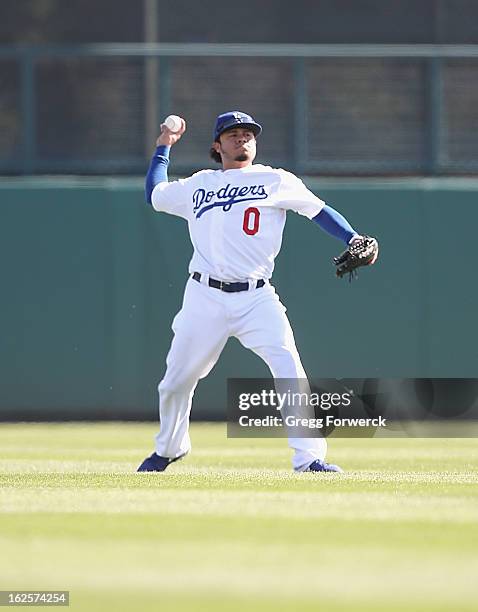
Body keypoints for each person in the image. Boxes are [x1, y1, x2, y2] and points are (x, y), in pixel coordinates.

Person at [138, 111, 377, 473]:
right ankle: (169, 448)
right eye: (232, 134)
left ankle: (310, 457)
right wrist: (163, 148)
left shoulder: (275, 180)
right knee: (175, 381)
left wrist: (353, 237)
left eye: (248, 133)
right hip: (204, 295)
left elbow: (319, 211)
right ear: (217, 146)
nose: (242, 138)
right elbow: (155, 194)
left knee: (288, 367)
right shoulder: (199, 185)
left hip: (256, 296)